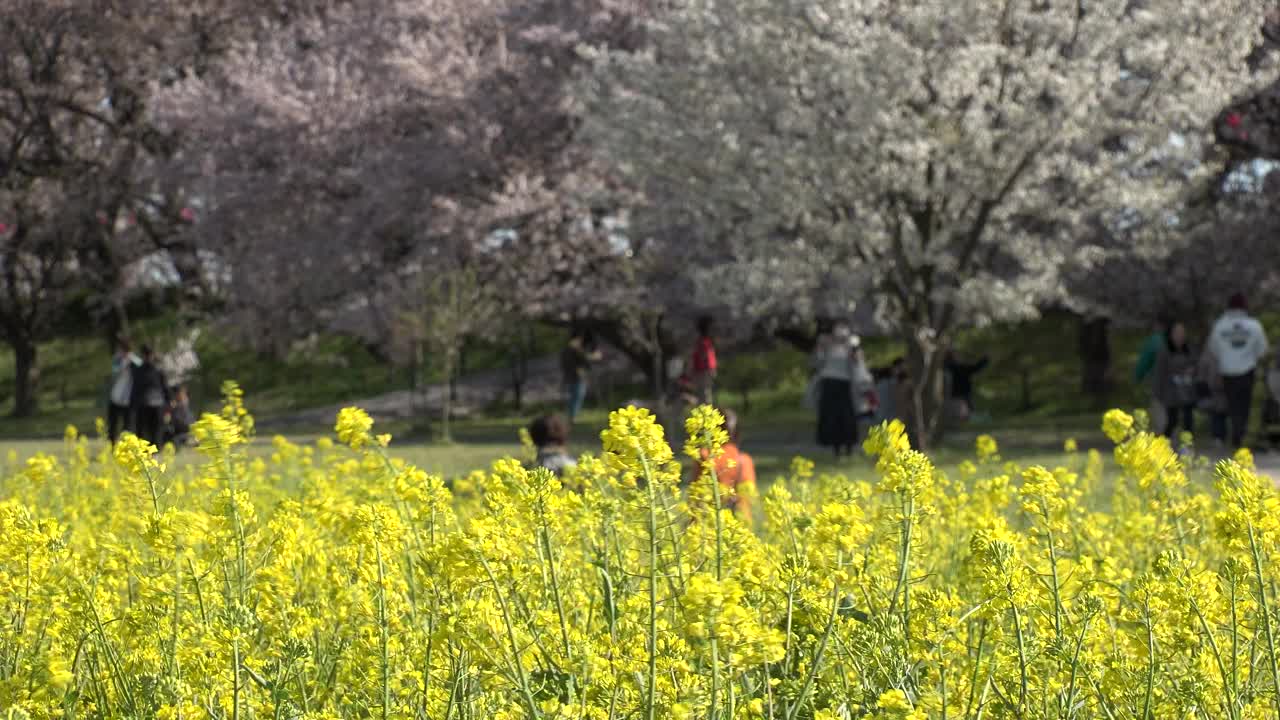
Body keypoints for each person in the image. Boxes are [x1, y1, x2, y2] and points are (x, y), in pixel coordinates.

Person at [1208, 293, 1269, 448]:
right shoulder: (1254, 325)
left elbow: (1213, 349)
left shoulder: (1220, 325)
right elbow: (1263, 350)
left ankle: (1232, 434)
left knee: (1230, 405)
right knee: (1244, 406)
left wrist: (1226, 358)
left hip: (1227, 372)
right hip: (1247, 371)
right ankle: (1239, 435)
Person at [811, 324, 873, 458]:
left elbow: (858, 364)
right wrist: (820, 348)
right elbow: (817, 363)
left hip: (844, 384)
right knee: (831, 417)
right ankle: (835, 448)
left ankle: (849, 447)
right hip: (829, 384)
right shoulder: (826, 346)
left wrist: (855, 351)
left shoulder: (851, 348)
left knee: (847, 417)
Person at [692, 408, 756, 525]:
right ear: (737, 432)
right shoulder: (744, 460)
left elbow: (696, 495)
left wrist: (692, 523)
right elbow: (747, 498)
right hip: (738, 526)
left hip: (709, 524)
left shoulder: (704, 455)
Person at [1153, 321, 1197, 439]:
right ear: (1171, 334)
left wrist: (1191, 372)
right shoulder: (1164, 351)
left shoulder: (1189, 350)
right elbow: (1159, 373)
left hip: (1187, 390)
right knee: (1172, 420)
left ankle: (1187, 446)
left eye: (1182, 332)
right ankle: (1162, 443)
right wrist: (1158, 393)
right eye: (1177, 332)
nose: (1180, 335)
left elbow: (1195, 365)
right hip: (1171, 392)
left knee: (1188, 420)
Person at [129, 346, 171, 447]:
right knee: (154, 429)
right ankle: (153, 448)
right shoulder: (158, 370)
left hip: (147, 403)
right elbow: (165, 387)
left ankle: (149, 448)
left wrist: (132, 403)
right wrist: (168, 401)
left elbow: (135, 388)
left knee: (146, 429)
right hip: (153, 403)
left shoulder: (139, 370)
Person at [1135, 315, 1170, 434]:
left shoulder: (1153, 341)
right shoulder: (1172, 340)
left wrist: (1138, 377)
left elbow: (1144, 362)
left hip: (1156, 380)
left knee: (1158, 407)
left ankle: (1162, 433)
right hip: (1173, 382)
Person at [561, 329, 601, 424]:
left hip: (573, 376)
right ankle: (572, 417)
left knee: (575, 396)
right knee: (577, 396)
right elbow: (584, 359)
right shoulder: (573, 348)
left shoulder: (570, 349)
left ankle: (571, 416)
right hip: (577, 376)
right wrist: (594, 357)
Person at [107, 338, 140, 444]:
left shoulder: (135, 361)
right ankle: (113, 444)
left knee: (128, 425)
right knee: (113, 424)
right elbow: (114, 373)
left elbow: (141, 371)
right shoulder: (117, 360)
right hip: (116, 397)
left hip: (128, 399)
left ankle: (126, 446)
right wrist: (122, 365)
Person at [1197, 346, 1229, 448]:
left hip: (1225, 388)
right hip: (1213, 389)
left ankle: (1221, 437)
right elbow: (1202, 369)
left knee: (1221, 414)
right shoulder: (1209, 352)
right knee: (1216, 413)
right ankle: (1217, 437)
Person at [944, 351, 990, 422]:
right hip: (961, 395)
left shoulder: (951, 367)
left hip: (957, 394)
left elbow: (975, 368)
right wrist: (985, 359)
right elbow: (976, 368)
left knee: (965, 411)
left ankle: (962, 419)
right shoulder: (959, 368)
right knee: (965, 412)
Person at [689, 316, 718, 405]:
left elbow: (704, 357)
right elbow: (706, 357)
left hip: (703, 370)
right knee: (704, 393)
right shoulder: (704, 342)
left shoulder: (703, 342)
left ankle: (705, 411)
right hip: (703, 370)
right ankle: (705, 412)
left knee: (703, 393)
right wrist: (712, 369)